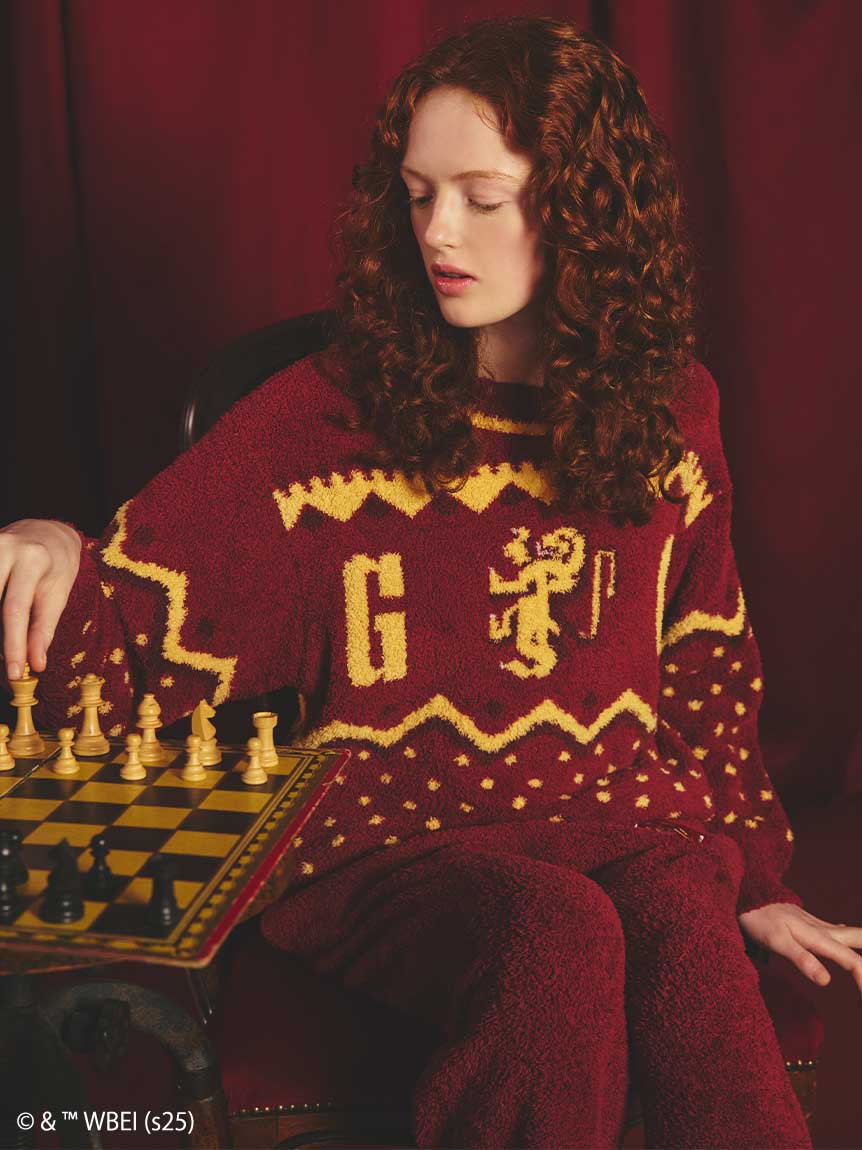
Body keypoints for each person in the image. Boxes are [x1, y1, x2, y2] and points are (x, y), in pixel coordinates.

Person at [1, 14, 858, 1149]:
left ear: (584, 212)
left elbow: (706, 662)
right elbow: (131, 632)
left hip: (621, 817)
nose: (438, 232)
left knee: (687, 926)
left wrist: (756, 878)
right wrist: (56, 546)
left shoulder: (673, 412)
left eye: (481, 197)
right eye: (417, 195)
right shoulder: (322, 417)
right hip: (385, 844)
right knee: (557, 931)